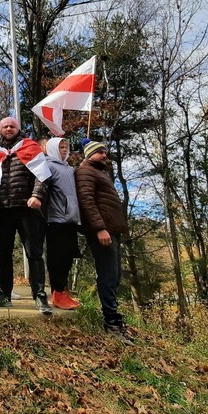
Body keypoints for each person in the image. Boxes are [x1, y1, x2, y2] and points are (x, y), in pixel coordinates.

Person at [0, 116, 53, 314]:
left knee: (34, 253)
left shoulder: (30, 147)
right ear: (0, 129)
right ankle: (4, 294)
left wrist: (36, 196)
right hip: (3, 210)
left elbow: (42, 175)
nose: (8, 128)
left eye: (12, 126)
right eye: (5, 126)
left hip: (27, 209)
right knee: (3, 254)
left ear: (18, 128)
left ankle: (39, 295)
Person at [75, 140, 130, 339]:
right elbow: (86, 200)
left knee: (115, 276)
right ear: (89, 154)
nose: (104, 155)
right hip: (102, 231)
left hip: (112, 230)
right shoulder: (85, 172)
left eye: (105, 151)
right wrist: (99, 228)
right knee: (107, 275)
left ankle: (115, 319)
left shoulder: (100, 173)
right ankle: (111, 323)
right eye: (99, 152)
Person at [43, 137, 82, 310]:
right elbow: (41, 187)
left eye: (66, 147)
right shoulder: (48, 165)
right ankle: (57, 292)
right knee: (58, 257)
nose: (65, 150)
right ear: (52, 149)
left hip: (71, 219)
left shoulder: (70, 169)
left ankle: (63, 291)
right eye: (61, 147)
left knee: (68, 257)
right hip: (56, 219)